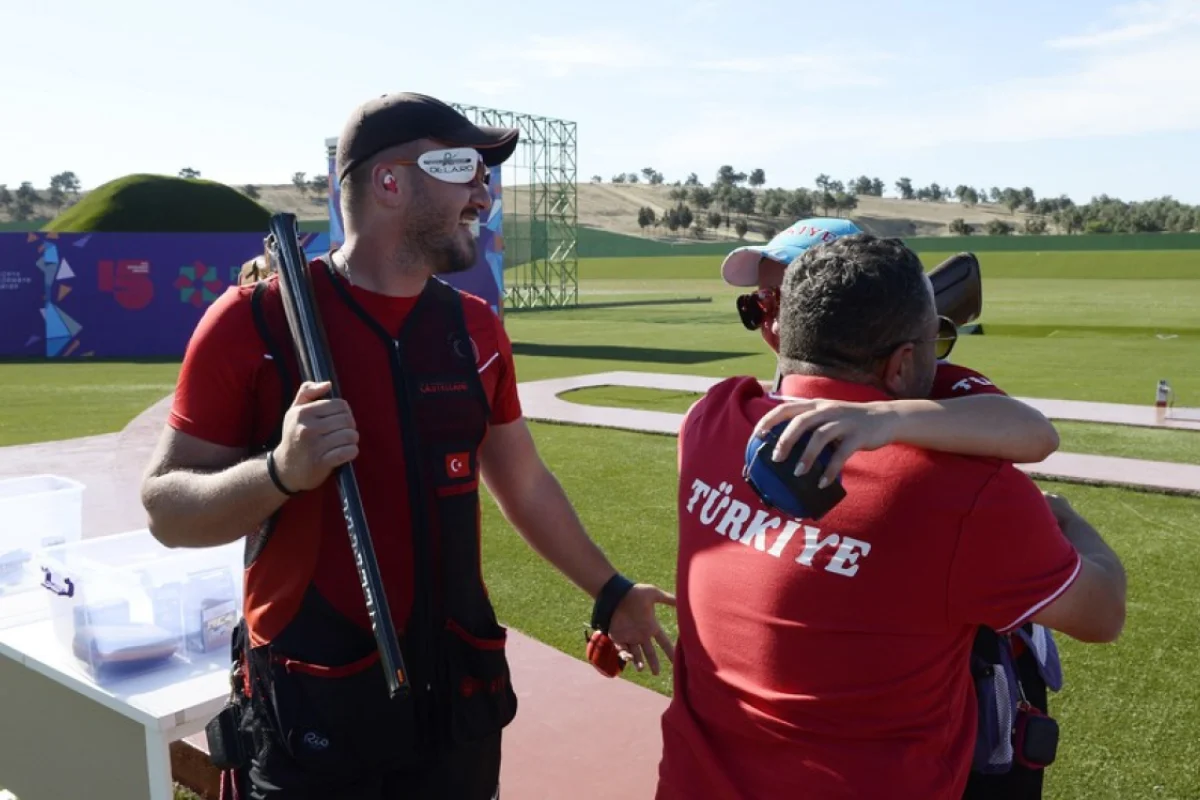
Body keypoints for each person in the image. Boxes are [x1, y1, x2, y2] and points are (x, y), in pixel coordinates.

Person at [140, 91, 674, 800]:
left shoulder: (476, 328)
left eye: (486, 172)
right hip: (312, 715)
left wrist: (610, 590)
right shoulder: (254, 321)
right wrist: (279, 472)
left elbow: (523, 482)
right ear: (389, 182)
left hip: (458, 708)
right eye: (461, 168)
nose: (484, 191)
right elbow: (166, 508)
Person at [655, 233, 1127, 800]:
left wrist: (892, 398)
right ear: (904, 362)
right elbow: (1103, 614)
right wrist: (1067, 520)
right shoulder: (963, 493)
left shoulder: (709, 420)